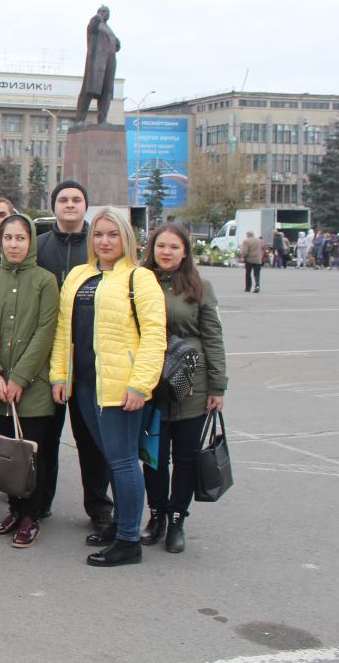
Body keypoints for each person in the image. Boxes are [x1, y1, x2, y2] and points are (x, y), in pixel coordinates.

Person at [50, 207, 167, 567]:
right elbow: (62, 330)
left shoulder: (140, 278)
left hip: (120, 387)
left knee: (123, 461)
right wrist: (59, 375)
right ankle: (121, 523)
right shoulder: (78, 276)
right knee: (110, 458)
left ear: (126, 239)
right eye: (99, 234)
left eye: (112, 234)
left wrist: (140, 385)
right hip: (84, 384)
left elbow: (154, 337)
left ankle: (129, 540)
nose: (104, 241)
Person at [0, 214, 59, 548]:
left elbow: (44, 332)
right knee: (4, 452)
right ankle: (13, 509)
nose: (14, 244)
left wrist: (20, 377)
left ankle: (31, 515)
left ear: (31, 241)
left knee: (31, 453)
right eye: (9, 238)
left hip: (31, 384)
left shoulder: (45, 281)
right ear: (0, 240)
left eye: (21, 238)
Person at [140, 223, 228, 554]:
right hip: (152, 383)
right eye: (161, 246)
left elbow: (213, 338)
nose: (166, 252)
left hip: (192, 382)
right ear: (153, 249)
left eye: (174, 247)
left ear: (185, 252)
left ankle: (177, 518)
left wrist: (217, 386)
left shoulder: (200, 287)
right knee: (153, 458)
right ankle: (157, 515)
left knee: (187, 457)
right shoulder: (140, 281)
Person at [35, 181, 113, 528]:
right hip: (46, 359)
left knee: (92, 440)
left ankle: (99, 506)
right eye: (63, 199)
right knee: (45, 439)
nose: (69, 204)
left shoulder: (100, 249)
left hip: (89, 361)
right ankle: (39, 500)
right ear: (54, 207)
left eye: (76, 199)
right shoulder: (39, 246)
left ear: (86, 206)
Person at [74, 5, 121, 125]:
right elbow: (92, 26)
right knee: (90, 90)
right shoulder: (96, 24)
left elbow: (114, 47)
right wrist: (97, 17)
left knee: (107, 91)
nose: (106, 13)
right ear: (98, 12)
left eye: (108, 12)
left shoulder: (109, 29)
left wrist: (117, 43)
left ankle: (102, 119)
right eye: (104, 11)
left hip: (110, 61)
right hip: (97, 61)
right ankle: (80, 119)